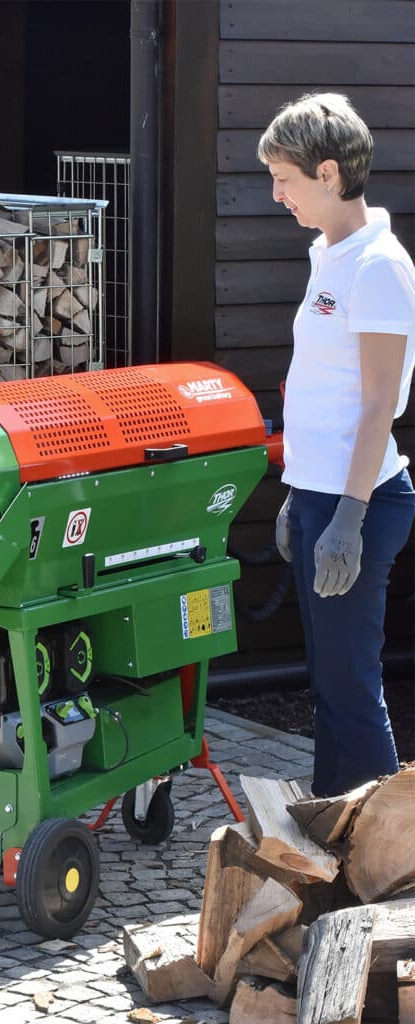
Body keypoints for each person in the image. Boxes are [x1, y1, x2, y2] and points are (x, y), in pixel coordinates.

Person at [257, 93, 415, 797]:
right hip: (321, 496)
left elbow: (378, 402)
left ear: (327, 172)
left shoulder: (377, 265)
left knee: (351, 685)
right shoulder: (329, 253)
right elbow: (325, 390)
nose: (275, 193)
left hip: (363, 501)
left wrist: (347, 517)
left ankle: (395, 864)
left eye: (283, 178)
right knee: (328, 683)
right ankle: (331, 831)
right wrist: (298, 494)